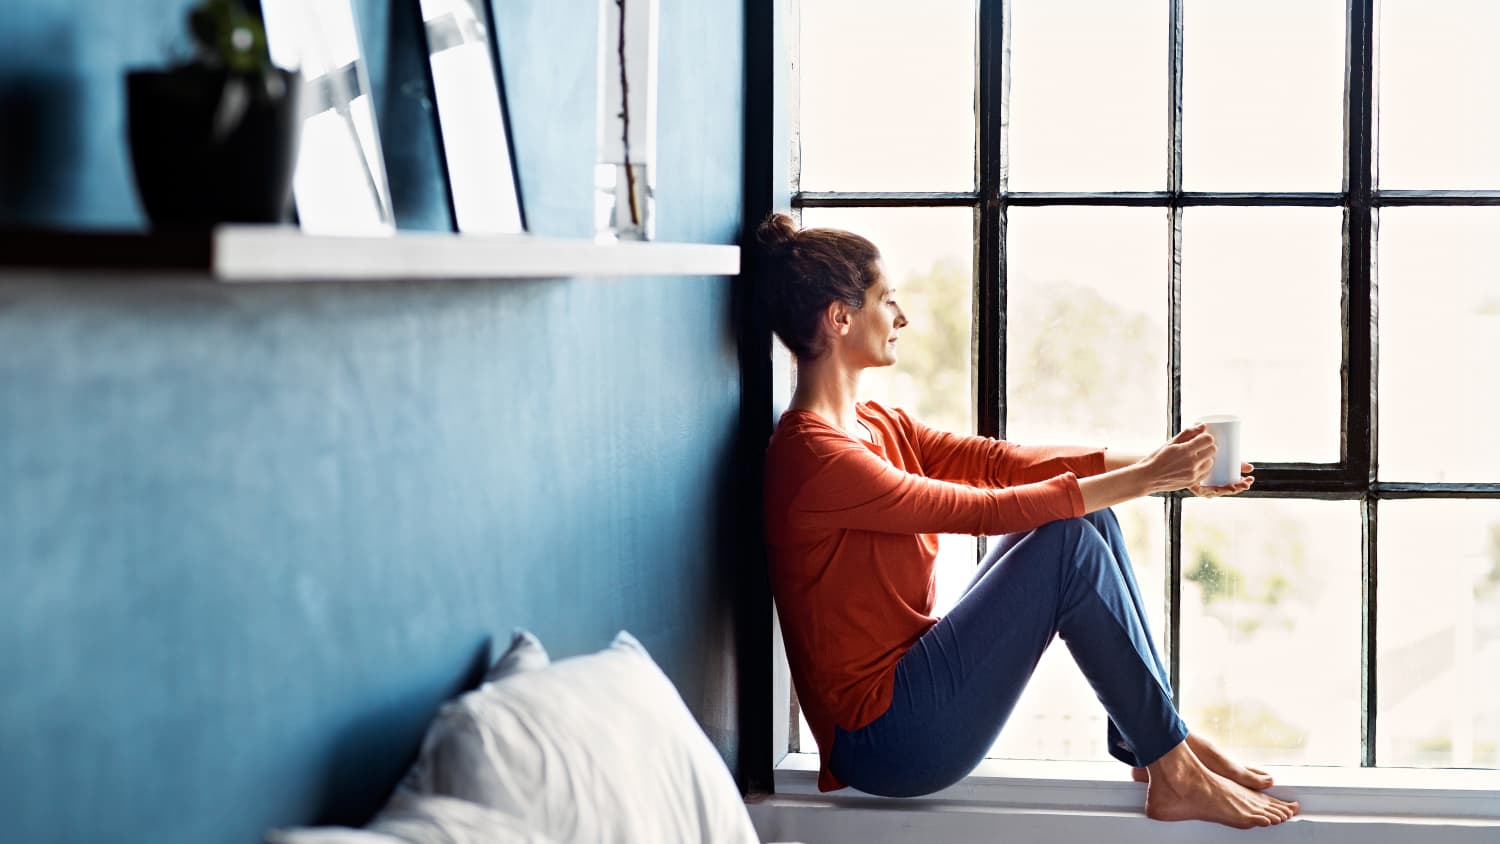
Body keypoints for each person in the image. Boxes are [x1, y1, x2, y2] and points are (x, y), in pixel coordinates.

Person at [756, 212, 1300, 829]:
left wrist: (1167, 463)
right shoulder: (815, 457)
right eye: (888, 299)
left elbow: (1001, 464)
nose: (902, 317)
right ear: (840, 317)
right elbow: (983, 509)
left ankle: (1154, 745)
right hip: (887, 741)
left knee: (1090, 524)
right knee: (1068, 538)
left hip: (913, 692)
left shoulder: (876, 424)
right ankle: (1170, 765)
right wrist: (1151, 479)